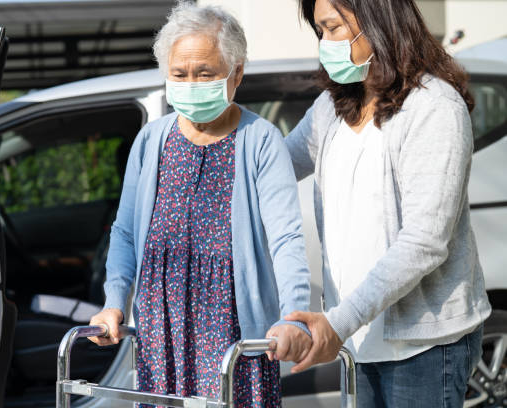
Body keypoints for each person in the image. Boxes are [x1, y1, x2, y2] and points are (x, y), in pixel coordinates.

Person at [87, 3, 313, 406]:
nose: (191, 83)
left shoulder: (260, 140)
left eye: (205, 73)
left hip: (233, 334)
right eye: (180, 74)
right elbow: (124, 233)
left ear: (236, 73)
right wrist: (113, 304)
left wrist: (293, 317)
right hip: (162, 332)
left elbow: (286, 239)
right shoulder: (151, 141)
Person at [283, 0, 491, 406]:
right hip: (358, 339)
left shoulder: (433, 107)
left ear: (377, 22)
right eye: (320, 32)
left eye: (334, 28)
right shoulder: (333, 106)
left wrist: (338, 322)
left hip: (421, 348)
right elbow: (275, 165)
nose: (325, 43)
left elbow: (424, 240)